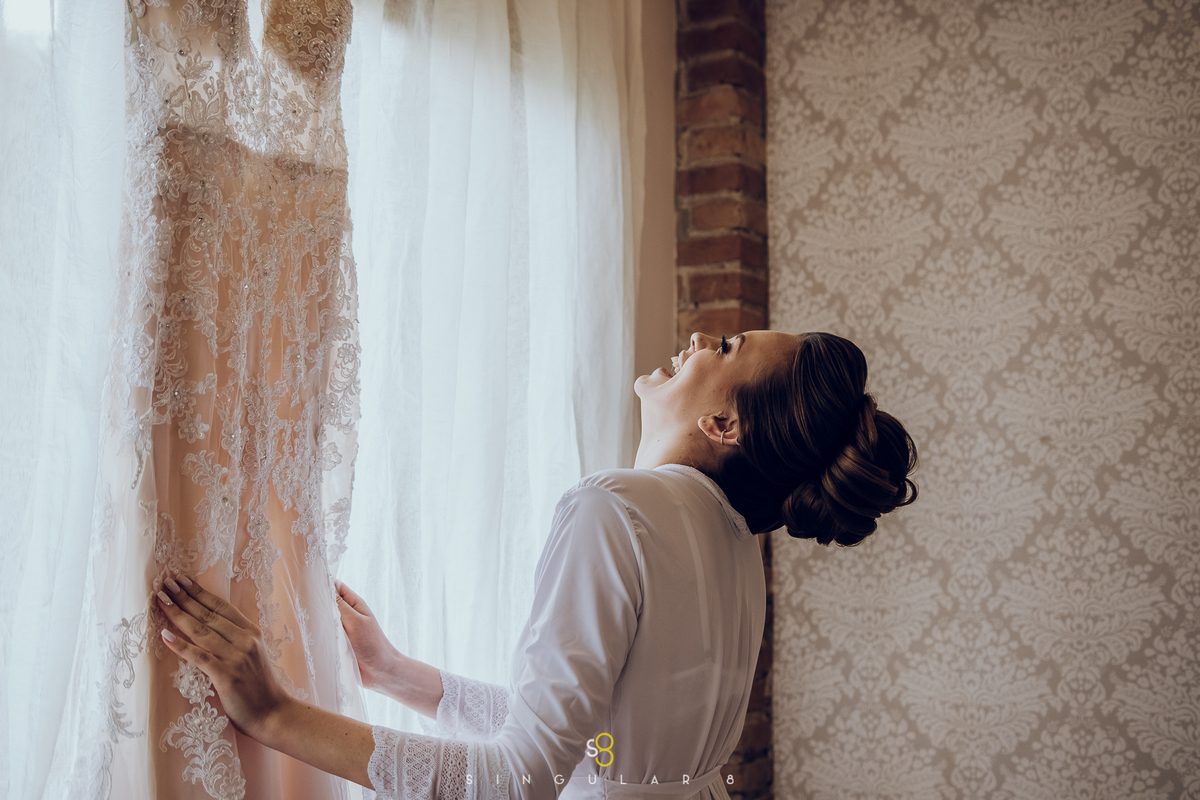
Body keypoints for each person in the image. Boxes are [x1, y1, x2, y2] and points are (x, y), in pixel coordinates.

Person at [154, 330, 918, 799]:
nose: (699, 338)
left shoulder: (614, 508)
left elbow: (518, 784)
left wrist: (274, 714)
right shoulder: (734, 545)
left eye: (726, 349)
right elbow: (604, 750)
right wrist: (396, 674)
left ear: (723, 423)